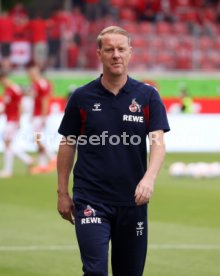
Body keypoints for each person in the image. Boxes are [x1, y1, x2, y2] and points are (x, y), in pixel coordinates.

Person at [57, 26, 170, 276]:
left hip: (133, 200)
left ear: (130, 52)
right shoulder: (81, 97)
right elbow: (67, 144)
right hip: (91, 198)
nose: (116, 55)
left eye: (121, 49)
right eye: (109, 50)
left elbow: (158, 143)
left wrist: (149, 179)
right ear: (99, 54)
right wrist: (62, 192)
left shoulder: (148, 96)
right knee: (95, 271)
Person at [0, 70, 33, 178]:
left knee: (7, 142)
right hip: (10, 119)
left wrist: (18, 120)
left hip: (13, 120)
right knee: (8, 143)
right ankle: (27, 160)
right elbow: (7, 106)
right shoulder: (7, 90)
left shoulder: (14, 89)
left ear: (4, 78)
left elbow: (20, 105)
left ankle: (8, 170)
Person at [26, 62, 56, 174]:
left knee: (37, 139)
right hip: (37, 115)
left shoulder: (41, 84)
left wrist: (43, 117)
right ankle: (42, 165)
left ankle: (53, 157)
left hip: (41, 115)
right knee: (39, 139)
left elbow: (45, 100)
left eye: (30, 72)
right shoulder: (36, 84)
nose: (29, 75)